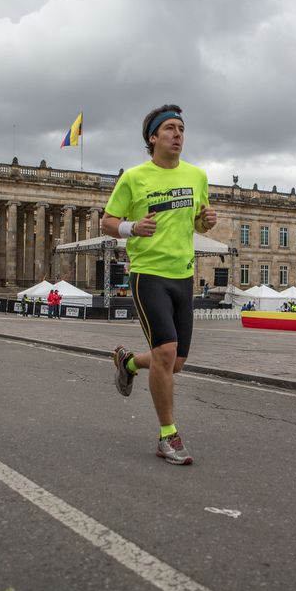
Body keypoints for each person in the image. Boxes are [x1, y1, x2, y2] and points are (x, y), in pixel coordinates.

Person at [102, 104, 216, 466]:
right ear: (153, 137)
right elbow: (107, 221)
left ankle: (129, 363)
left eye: (181, 128)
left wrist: (205, 221)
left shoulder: (197, 176)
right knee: (166, 353)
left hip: (183, 274)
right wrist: (131, 228)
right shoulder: (134, 178)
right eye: (169, 128)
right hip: (149, 273)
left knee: (177, 361)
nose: (178, 134)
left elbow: (197, 223)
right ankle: (169, 436)